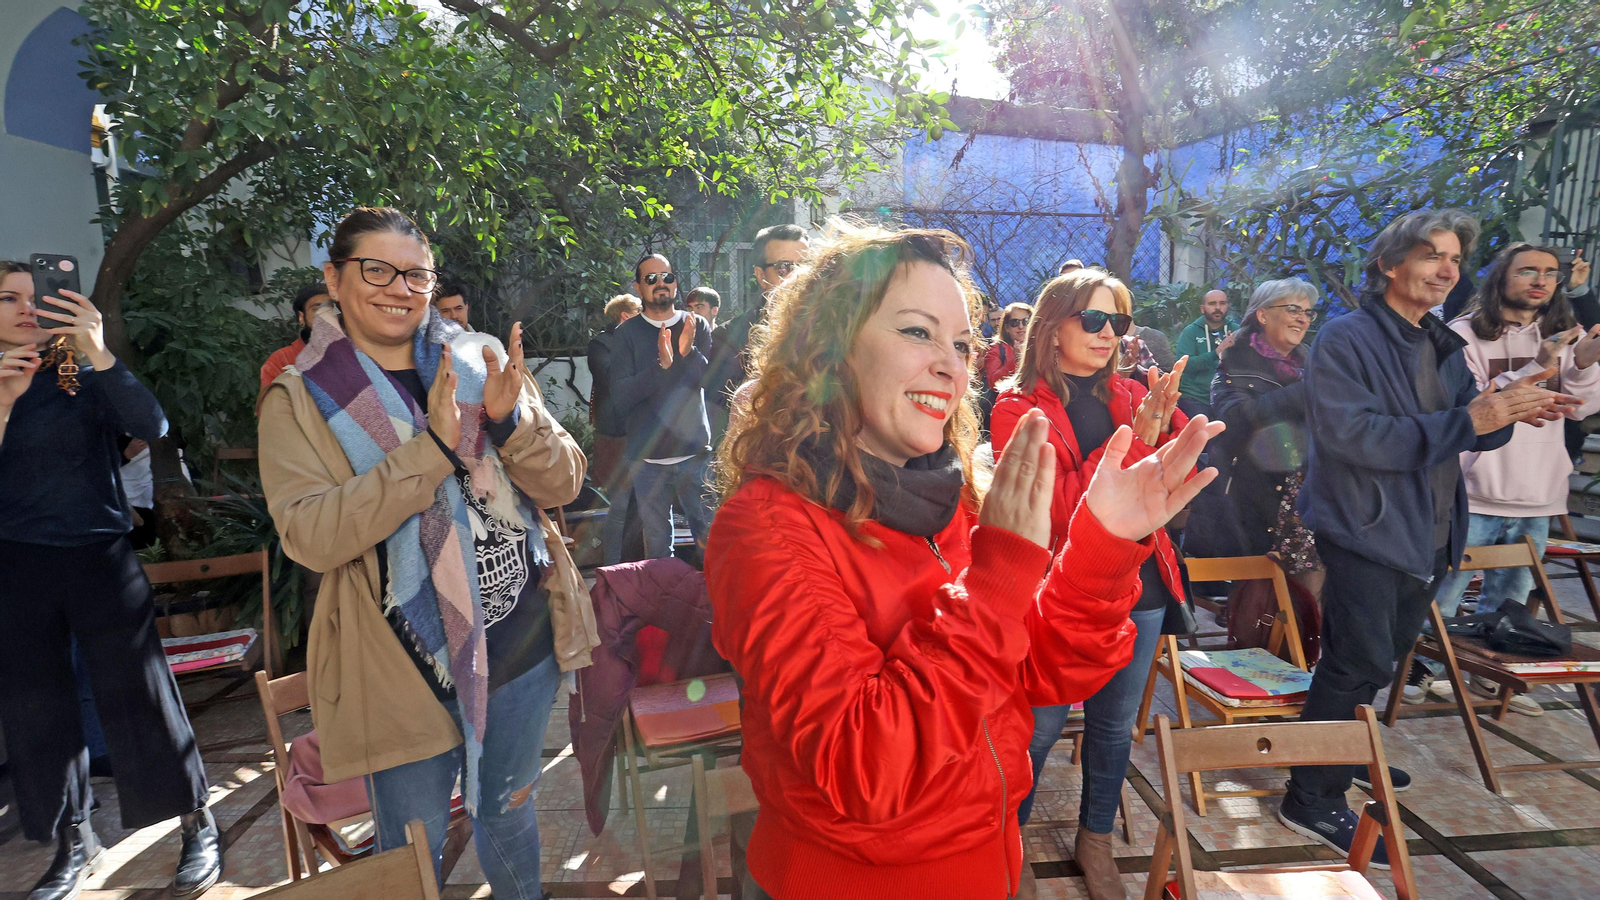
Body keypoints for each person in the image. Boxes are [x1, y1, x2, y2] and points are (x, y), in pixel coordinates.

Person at [706, 223, 1224, 900]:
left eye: (960, 342)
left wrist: (1102, 543)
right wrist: (993, 583)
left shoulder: (950, 496)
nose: (952, 365)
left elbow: (1044, 671)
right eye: (917, 332)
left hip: (990, 859)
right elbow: (866, 766)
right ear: (830, 348)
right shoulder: (767, 527)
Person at [258, 207, 599, 899]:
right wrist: (432, 453)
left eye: (415, 273)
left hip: (519, 645)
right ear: (334, 277)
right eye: (375, 269)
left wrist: (509, 422)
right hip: (399, 665)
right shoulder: (298, 399)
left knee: (509, 813)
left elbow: (564, 481)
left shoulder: (478, 360)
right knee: (410, 851)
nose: (398, 287)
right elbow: (313, 537)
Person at [1281, 210, 1575, 861]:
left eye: (1453, 258)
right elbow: (1354, 437)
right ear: (1389, 264)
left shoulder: (1437, 342)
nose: (1447, 269)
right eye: (1430, 255)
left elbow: (1470, 427)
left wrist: (1514, 409)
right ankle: (1310, 796)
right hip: (1364, 528)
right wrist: (1475, 417)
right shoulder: (1346, 340)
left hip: (1427, 531)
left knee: (1380, 661)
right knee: (1352, 662)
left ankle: (1341, 750)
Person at [0, 261, 222, 900]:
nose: (26, 307)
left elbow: (151, 426)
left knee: (141, 695)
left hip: (100, 556)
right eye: (9, 298)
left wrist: (97, 350)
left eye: (36, 295)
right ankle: (74, 843)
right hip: (16, 565)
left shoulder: (81, 372)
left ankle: (196, 824)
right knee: (38, 712)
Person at [990, 269, 1190, 900]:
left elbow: (1177, 477)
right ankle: (1004, 843)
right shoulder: (1015, 407)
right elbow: (1052, 510)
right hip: (1058, 594)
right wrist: (1139, 458)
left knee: (1112, 725)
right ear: (1053, 328)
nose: (1109, 334)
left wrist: (1170, 427)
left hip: (1142, 587)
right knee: (1039, 729)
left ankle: (1095, 839)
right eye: (1095, 320)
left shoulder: (1132, 396)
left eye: (1120, 322)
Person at [1407, 243, 1600, 714]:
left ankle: (1486, 677)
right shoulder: (1462, 335)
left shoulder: (1562, 335)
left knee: (1512, 596)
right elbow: (1469, 410)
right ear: (1501, 278)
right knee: (1444, 592)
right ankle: (1423, 672)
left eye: (1550, 273)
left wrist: (1586, 360)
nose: (1540, 280)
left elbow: (1585, 405)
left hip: (1538, 493)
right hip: (1474, 488)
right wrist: (1541, 367)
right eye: (1528, 270)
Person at [1200, 279, 1324, 596]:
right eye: (1293, 309)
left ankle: (1303, 641)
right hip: (1252, 498)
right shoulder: (1233, 360)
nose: (1303, 318)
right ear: (1263, 315)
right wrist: (1301, 395)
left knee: (1317, 587)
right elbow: (1234, 422)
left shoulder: (1314, 363)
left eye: (1308, 312)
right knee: (1270, 601)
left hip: (1311, 495)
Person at [607, 252, 716, 559]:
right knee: (657, 546)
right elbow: (621, 396)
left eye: (666, 277)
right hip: (648, 461)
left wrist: (687, 352)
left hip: (695, 455)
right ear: (638, 287)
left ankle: (716, 606)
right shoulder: (626, 334)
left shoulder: (696, 325)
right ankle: (667, 605)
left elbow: (708, 381)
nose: (660, 284)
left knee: (711, 540)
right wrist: (662, 367)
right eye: (651, 279)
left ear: (676, 284)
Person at [708, 223, 808, 433]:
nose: (799, 277)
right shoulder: (728, 339)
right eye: (785, 267)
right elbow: (727, 425)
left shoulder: (837, 330)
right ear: (761, 276)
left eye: (807, 264)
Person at [591, 294, 643, 565]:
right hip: (616, 436)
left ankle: (640, 568)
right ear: (625, 315)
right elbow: (614, 381)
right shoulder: (600, 344)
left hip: (643, 432)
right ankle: (612, 570)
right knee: (620, 507)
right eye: (639, 311)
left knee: (645, 508)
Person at [1175, 289, 1238, 418]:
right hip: (1195, 398)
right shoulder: (1190, 332)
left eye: (1222, 303)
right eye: (1212, 304)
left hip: (1228, 397)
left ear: (1227, 306)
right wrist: (1216, 353)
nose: (1218, 308)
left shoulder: (1237, 330)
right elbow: (1185, 365)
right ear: (1203, 309)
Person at [260, 282, 331, 391]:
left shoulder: (358, 352)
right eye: (317, 308)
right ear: (301, 317)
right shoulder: (281, 361)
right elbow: (272, 406)